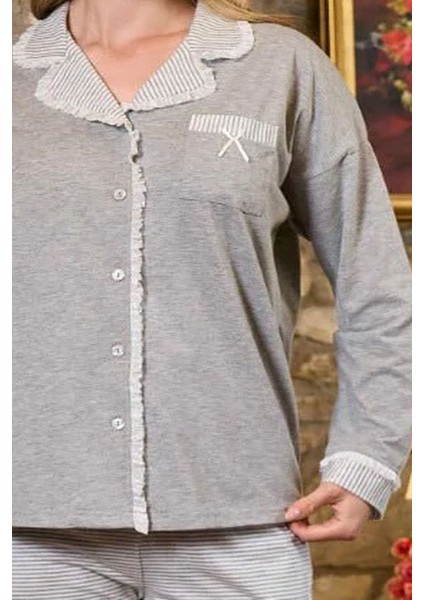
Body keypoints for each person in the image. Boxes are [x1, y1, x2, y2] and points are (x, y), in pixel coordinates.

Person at [12, 0, 412, 597]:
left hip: (244, 524)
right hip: (28, 534)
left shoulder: (283, 69)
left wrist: (368, 457)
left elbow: (375, 284)